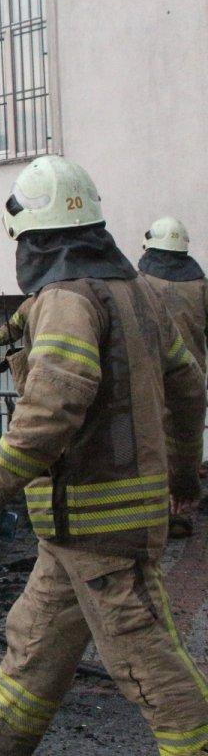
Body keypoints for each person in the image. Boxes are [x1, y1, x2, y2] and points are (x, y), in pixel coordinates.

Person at [0, 156, 208, 756]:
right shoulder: (141, 294)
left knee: (144, 653)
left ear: (35, 239)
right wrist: (183, 478)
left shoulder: (69, 299)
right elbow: (189, 389)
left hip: (99, 518)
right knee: (38, 638)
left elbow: (52, 405)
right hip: (76, 526)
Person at [137, 216, 208, 540]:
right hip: (191, 374)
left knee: (152, 443)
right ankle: (180, 510)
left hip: (153, 373)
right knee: (186, 445)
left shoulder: (142, 281)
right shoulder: (200, 283)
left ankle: (157, 515)